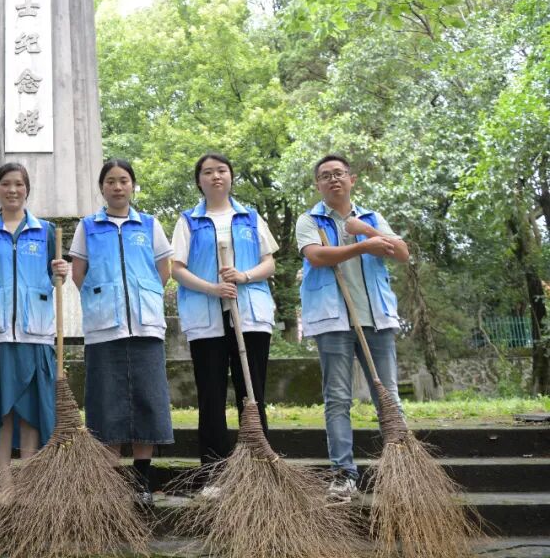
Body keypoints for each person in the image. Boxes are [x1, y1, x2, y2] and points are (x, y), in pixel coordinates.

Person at [296, 154, 409, 501]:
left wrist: (368, 231)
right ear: (317, 184)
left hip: (376, 317)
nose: (333, 179)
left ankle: (402, 469)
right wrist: (362, 246)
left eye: (339, 173)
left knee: (387, 394)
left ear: (351, 179)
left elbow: (401, 253)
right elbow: (316, 256)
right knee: (337, 397)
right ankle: (344, 473)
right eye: (325, 175)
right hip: (332, 320)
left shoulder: (372, 218)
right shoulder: (309, 220)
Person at [170, 153, 278, 497]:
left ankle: (257, 471)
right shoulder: (188, 221)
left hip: (250, 315)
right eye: (207, 172)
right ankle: (213, 474)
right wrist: (213, 288)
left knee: (253, 394)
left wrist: (242, 276)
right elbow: (176, 269)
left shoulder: (251, 217)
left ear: (231, 176)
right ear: (199, 180)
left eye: (221, 170)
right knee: (211, 395)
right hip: (205, 317)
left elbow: (269, 263)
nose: (215, 176)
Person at [69, 158, 174, 507]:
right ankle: (111, 484)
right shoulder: (88, 226)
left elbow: (163, 270)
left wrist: (143, 296)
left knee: (148, 401)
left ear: (132, 185)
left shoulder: (150, 225)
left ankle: (142, 481)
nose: (117, 186)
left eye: (124, 180)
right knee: (107, 404)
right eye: (111, 181)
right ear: (102, 187)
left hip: (145, 326)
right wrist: (104, 298)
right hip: (104, 328)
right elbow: (78, 273)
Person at [0, 163, 69, 497]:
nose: (12, 190)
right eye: (6, 184)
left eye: (19, 184)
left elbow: (54, 279)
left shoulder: (47, 232)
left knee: (30, 410)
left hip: (35, 332)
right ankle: (5, 481)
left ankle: (28, 478)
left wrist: (61, 272)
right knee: (2, 409)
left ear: (27, 189)